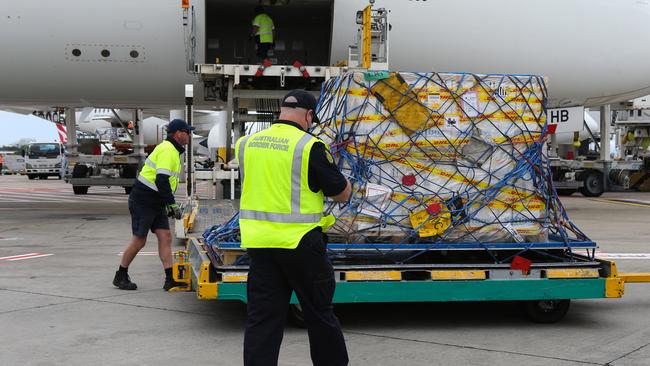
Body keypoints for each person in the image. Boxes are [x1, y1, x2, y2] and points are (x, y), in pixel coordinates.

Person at [237, 90, 351, 366]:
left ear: (282, 111)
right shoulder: (309, 146)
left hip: (261, 246)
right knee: (319, 316)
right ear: (309, 115)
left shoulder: (246, 144)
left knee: (262, 321)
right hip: (301, 246)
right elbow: (340, 193)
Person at [113, 119, 194, 291]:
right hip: (145, 198)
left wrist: (166, 202)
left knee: (165, 236)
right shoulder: (168, 150)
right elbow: (161, 179)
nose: (189, 135)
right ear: (178, 133)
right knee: (139, 240)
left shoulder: (172, 150)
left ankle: (169, 279)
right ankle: (120, 275)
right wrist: (171, 204)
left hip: (155, 199)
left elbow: (163, 182)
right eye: (187, 132)